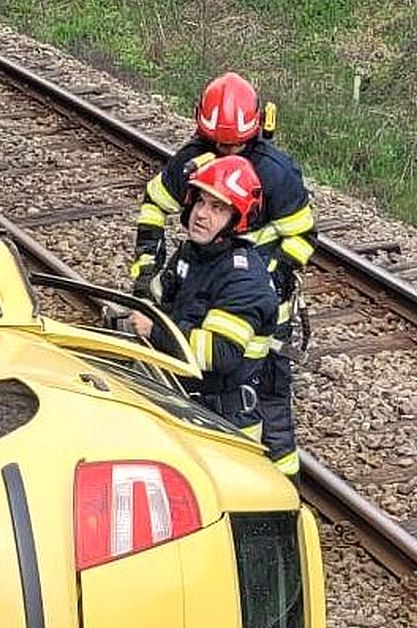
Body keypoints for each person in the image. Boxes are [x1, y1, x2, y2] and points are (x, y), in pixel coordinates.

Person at [130, 71, 313, 477]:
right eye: (218, 143)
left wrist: (270, 278)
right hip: (214, 282)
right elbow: (154, 204)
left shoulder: (276, 173)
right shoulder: (193, 163)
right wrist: (146, 271)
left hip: (253, 297)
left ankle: (282, 488)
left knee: (266, 401)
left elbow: (302, 236)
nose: (225, 150)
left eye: (233, 145)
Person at [128, 155, 277, 440]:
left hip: (224, 427)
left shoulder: (244, 279)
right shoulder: (193, 254)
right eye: (200, 202)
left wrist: (154, 331)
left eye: (217, 207)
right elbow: (158, 300)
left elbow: (219, 353)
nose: (202, 214)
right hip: (183, 406)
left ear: (236, 219)